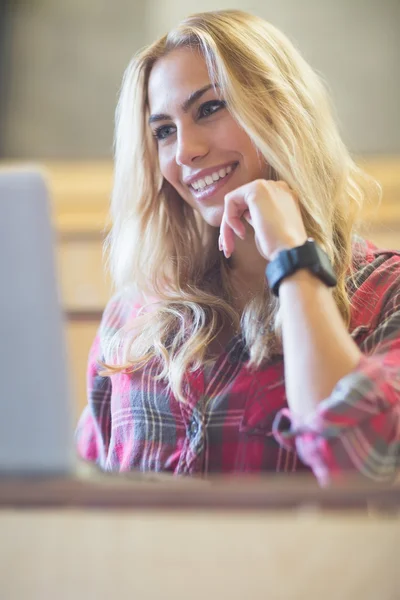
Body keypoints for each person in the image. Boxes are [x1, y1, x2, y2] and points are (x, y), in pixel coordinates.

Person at [75, 9, 400, 486]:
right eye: (163, 130)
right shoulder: (133, 317)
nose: (184, 150)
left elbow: (360, 463)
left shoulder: (385, 293)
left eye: (209, 108)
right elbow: (84, 493)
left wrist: (294, 259)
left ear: (280, 111)